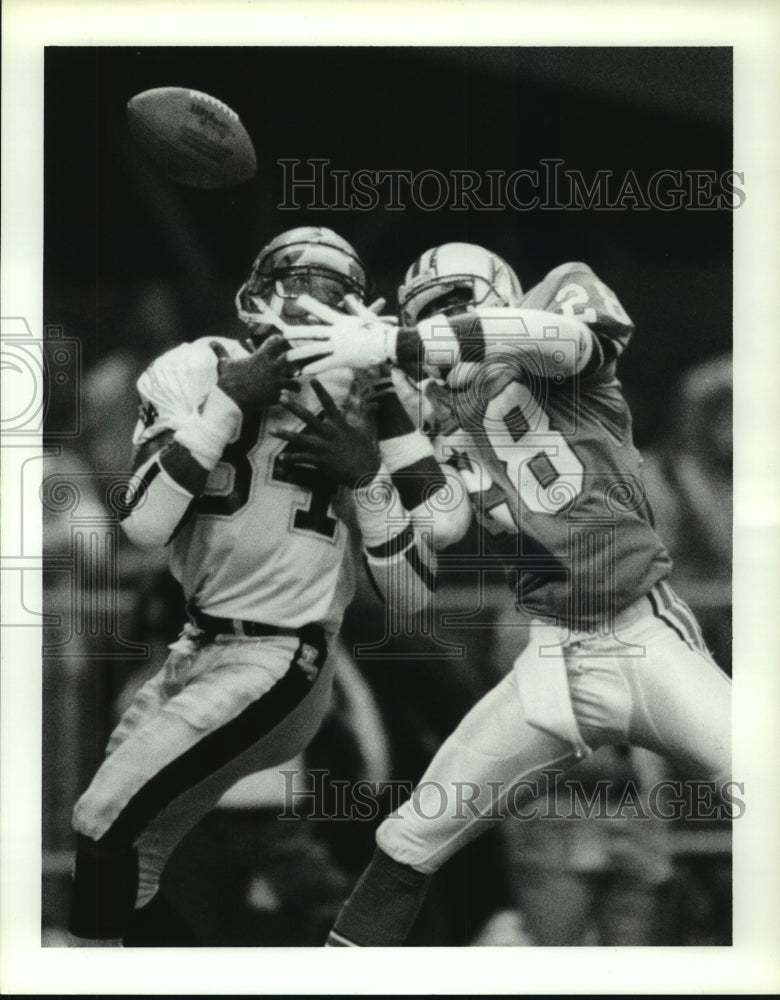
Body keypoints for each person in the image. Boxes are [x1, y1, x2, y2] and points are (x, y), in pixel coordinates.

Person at [283, 242, 732, 946]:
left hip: (644, 632)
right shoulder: (445, 412)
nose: (446, 323)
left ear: (500, 292)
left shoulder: (559, 302)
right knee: (408, 839)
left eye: (458, 305)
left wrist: (399, 339)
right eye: (432, 315)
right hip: (551, 657)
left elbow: (566, 338)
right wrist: (382, 447)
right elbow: (442, 521)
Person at [66, 226, 470, 946]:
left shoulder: (372, 395)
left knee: (103, 819)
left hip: (287, 657)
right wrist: (227, 406)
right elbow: (143, 524)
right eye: (307, 284)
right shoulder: (194, 369)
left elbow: (413, 592)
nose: (324, 304)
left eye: (342, 293)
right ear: (256, 297)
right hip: (198, 648)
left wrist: (367, 475)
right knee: (127, 863)